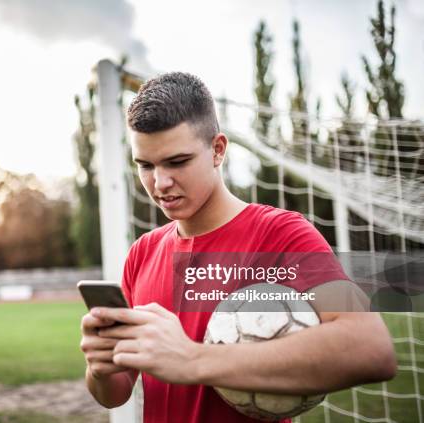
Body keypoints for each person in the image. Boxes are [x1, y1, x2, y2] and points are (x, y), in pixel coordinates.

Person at [80, 72, 397, 423]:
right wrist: (101, 368)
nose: (160, 183)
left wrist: (192, 360)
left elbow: (371, 348)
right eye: (145, 165)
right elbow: (115, 393)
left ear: (218, 150)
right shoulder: (143, 252)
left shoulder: (282, 235)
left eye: (177, 161)